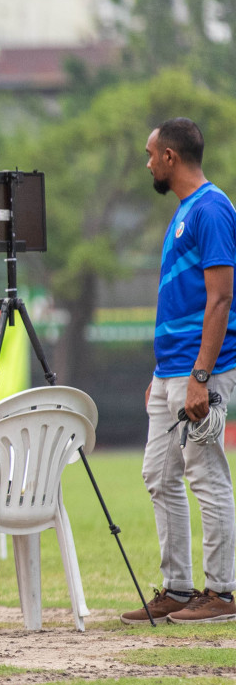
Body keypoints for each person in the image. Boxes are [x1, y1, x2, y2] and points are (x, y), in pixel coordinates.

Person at [123, 118, 236, 625]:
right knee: (158, 474)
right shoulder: (184, 212)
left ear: (170, 158)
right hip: (170, 370)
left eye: (151, 154)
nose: (147, 163)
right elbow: (181, 298)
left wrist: (200, 376)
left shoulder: (212, 209)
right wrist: (165, 369)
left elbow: (221, 298)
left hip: (199, 372)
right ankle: (177, 588)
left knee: (206, 475)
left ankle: (222, 593)